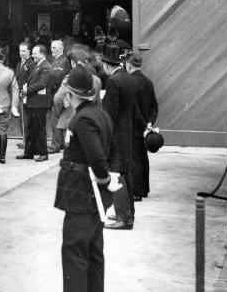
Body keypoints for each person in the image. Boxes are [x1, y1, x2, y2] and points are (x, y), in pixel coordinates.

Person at [54, 64, 121, 292]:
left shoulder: (82, 119)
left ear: (71, 94)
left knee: (74, 254)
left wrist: (103, 177)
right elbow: (113, 151)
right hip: (96, 198)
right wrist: (109, 180)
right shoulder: (102, 115)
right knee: (94, 253)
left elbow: (96, 157)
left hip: (80, 195)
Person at [101, 44, 138, 230]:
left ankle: (123, 218)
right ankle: (129, 213)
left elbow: (109, 113)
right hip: (127, 132)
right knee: (126, 172)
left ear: (107, 65)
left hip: (116, 134)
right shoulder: (129, 78)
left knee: (118, 174)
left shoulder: (114, 81)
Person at [125, 52, 158, 201]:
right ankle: (144, 189)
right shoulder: (148, 82)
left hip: (134, 126)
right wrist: (150, 123)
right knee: (143, 158)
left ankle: (136, 191)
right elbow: (154, 106)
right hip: (145, 127)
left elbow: (133, 107)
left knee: (134, 160)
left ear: (129, 64)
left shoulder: (129, 82)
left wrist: (144, 124)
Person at [16, 44, 53, 161]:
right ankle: (29, 152)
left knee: (40, 128)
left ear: (42, 54)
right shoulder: (36, 65)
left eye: (35, 53)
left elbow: (42, 83)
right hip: (33, 102)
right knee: (31, 128)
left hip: (40, 103)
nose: (33, 55)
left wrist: (27, 90)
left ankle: (43, 153)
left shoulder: (46, 66)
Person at [49, 39, 71, 153]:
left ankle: (55, 145)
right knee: (59, 119)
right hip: (59, 93)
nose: (52, 49)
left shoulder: (61, 61)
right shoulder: (58, 60)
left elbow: (56, 78)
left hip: (58, 93)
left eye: (54, 48)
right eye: (51, 47)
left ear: (61, 48)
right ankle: (60, 143)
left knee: (56, 119)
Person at [12, 42, 34, 150]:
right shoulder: (19, 63)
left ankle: (27, 141)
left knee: (26, 119)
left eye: (24, 51)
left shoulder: (31, 64)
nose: (22, 53)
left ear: (29, 51)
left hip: (26, 94)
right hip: (20, 93)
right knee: (22, 118)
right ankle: (24, 139)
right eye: (20, 51)